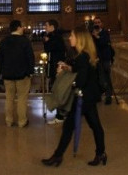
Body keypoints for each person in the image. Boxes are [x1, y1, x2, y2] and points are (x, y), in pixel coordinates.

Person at [42, 25, 107, 167]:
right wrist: (68, 68)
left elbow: (81, 80)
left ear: (79, 39)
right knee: (95, 125)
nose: (69, 38)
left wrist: (67, 81)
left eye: (72, 35)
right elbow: (80, 70)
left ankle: (58, 156)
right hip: (88, 96)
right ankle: (100, 153)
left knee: (70, 126)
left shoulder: (82, 56)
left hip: (84, 97)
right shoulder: (83, 55)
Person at [0, 19, 34, 127]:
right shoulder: (25, 41)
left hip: (7, 75)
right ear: (18, 27)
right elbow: (30, 58)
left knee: (9, 98)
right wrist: (30, 72)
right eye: (22, 27)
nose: (23, 28)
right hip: (22, 75)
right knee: (22, 98)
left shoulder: (4, 41)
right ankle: (22, 121)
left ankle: (9, 120)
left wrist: (2, 71)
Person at [43, 19, 67, 123]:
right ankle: (60, 114)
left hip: (56, 68)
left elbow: (48, 49)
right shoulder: (56, 36)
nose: (45, 28)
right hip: (55, 67)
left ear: (52, 27)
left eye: (46, 26)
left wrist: (46, 41)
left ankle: (60, 115)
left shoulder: (55, 38)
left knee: (58, 91)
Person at [91, 17, 115, 104]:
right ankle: (99, 94)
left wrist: (97, 36)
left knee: (106, 77)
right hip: (96, 58)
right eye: (95, 23)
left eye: (98, 22)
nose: (97, 24)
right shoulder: (92, 34)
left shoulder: (105, 33)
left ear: (101, 23)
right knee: (98, 77)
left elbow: (105, 43)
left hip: (105, 58)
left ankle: (108, 95)